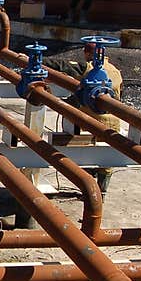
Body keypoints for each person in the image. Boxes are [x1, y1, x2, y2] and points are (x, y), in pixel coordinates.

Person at [43, 41, 124, 195]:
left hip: (92, 121)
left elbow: (65, 67)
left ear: (87, 54)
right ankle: (101, 193)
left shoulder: (90, 68)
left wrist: (40, 61)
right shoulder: (115, 71)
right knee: (106, 159)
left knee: (87, 155)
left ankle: (90, 191)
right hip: (113, 122)